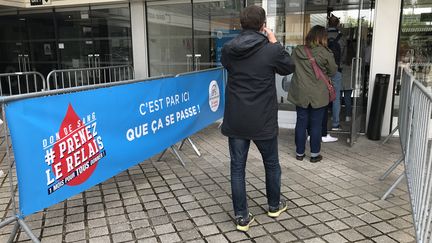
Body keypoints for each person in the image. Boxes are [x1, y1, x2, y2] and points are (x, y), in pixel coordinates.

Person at [221, 5, 295, 232]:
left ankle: (242, 218)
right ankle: (274, 206)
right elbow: (288, 66)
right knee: (271, 164)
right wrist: (274, 41)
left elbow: (227, 65)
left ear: (241, 24)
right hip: (262, 119)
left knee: (237, 169)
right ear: (263, 25)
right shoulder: (270, 49)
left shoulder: (228, 49)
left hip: (236, 119)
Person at [287, 25, 338, 163]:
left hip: (301, 92)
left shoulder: (298, 50)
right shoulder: (325, 53)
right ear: (323, 37)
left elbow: (290, 66)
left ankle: (299, 153)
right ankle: (314, 155)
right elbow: (333, 71)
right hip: (318, 94)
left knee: (301, 122)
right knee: (316, 125)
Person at [321, 14, 346, 143]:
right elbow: (344, 55)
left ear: (328, 23)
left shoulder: (322, 36)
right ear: (337, 24)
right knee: (335, 97)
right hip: (337, 70)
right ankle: (335, 124)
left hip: (323, 70)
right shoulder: (342, 38)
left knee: (322, 96)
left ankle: (321, 124)